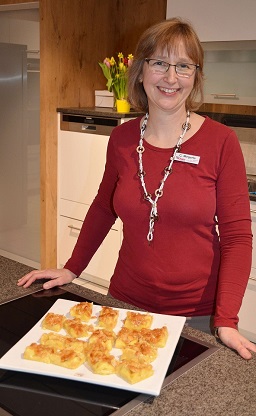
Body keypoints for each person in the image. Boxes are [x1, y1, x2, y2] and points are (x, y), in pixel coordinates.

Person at [18, 18, 256, 360]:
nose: (171, 77)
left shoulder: (221, 142)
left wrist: (227, 319)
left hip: (197, 314)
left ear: (195, 76)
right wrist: (72, 267)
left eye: (184, 66)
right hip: (125, 302)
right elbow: (104, 207)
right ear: (141, 71)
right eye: (159, 63)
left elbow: (236, 236)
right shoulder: (122, 139)